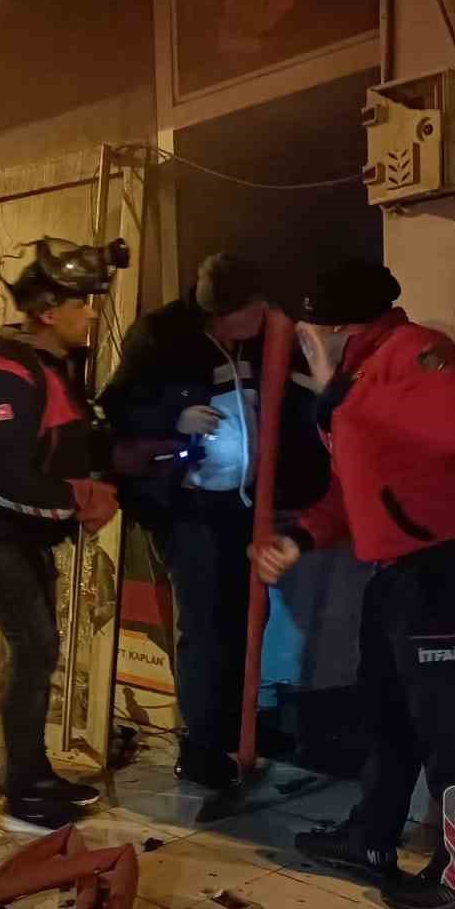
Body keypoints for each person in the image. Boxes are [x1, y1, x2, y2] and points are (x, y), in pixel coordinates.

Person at [251, 260, 455, 909]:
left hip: (449, 566)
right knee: (387, 711)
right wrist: (305, 537)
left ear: (342, 325)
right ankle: (370, 837)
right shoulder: (356, 381)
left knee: (451, 728)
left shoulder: (420, 352)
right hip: (400, 568)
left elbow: (451, 427)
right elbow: (356, 485)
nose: (307, 342)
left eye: (314, 330)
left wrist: (342, 398)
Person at [0, 239, 120, 830]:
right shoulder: (1, 372)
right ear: (47, 311)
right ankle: (24, 794)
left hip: (26, 535)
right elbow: (9, 479)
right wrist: (82, 501)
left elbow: (67, 447)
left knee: (38, 652)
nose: (92, 312)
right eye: (80, 303)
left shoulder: (49, 368)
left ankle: (35, 777)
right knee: (36, 649)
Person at [99, 252, 267, 790]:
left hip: (241, 501)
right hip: (183, 503)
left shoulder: (258, 339)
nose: (261, 318)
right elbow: (117, 407)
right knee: (203, 621)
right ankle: (200, 746)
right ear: (225, 313)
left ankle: (234, 735)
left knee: (241, 619)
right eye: (251, 311)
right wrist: (175, 418)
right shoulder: (161, 336)